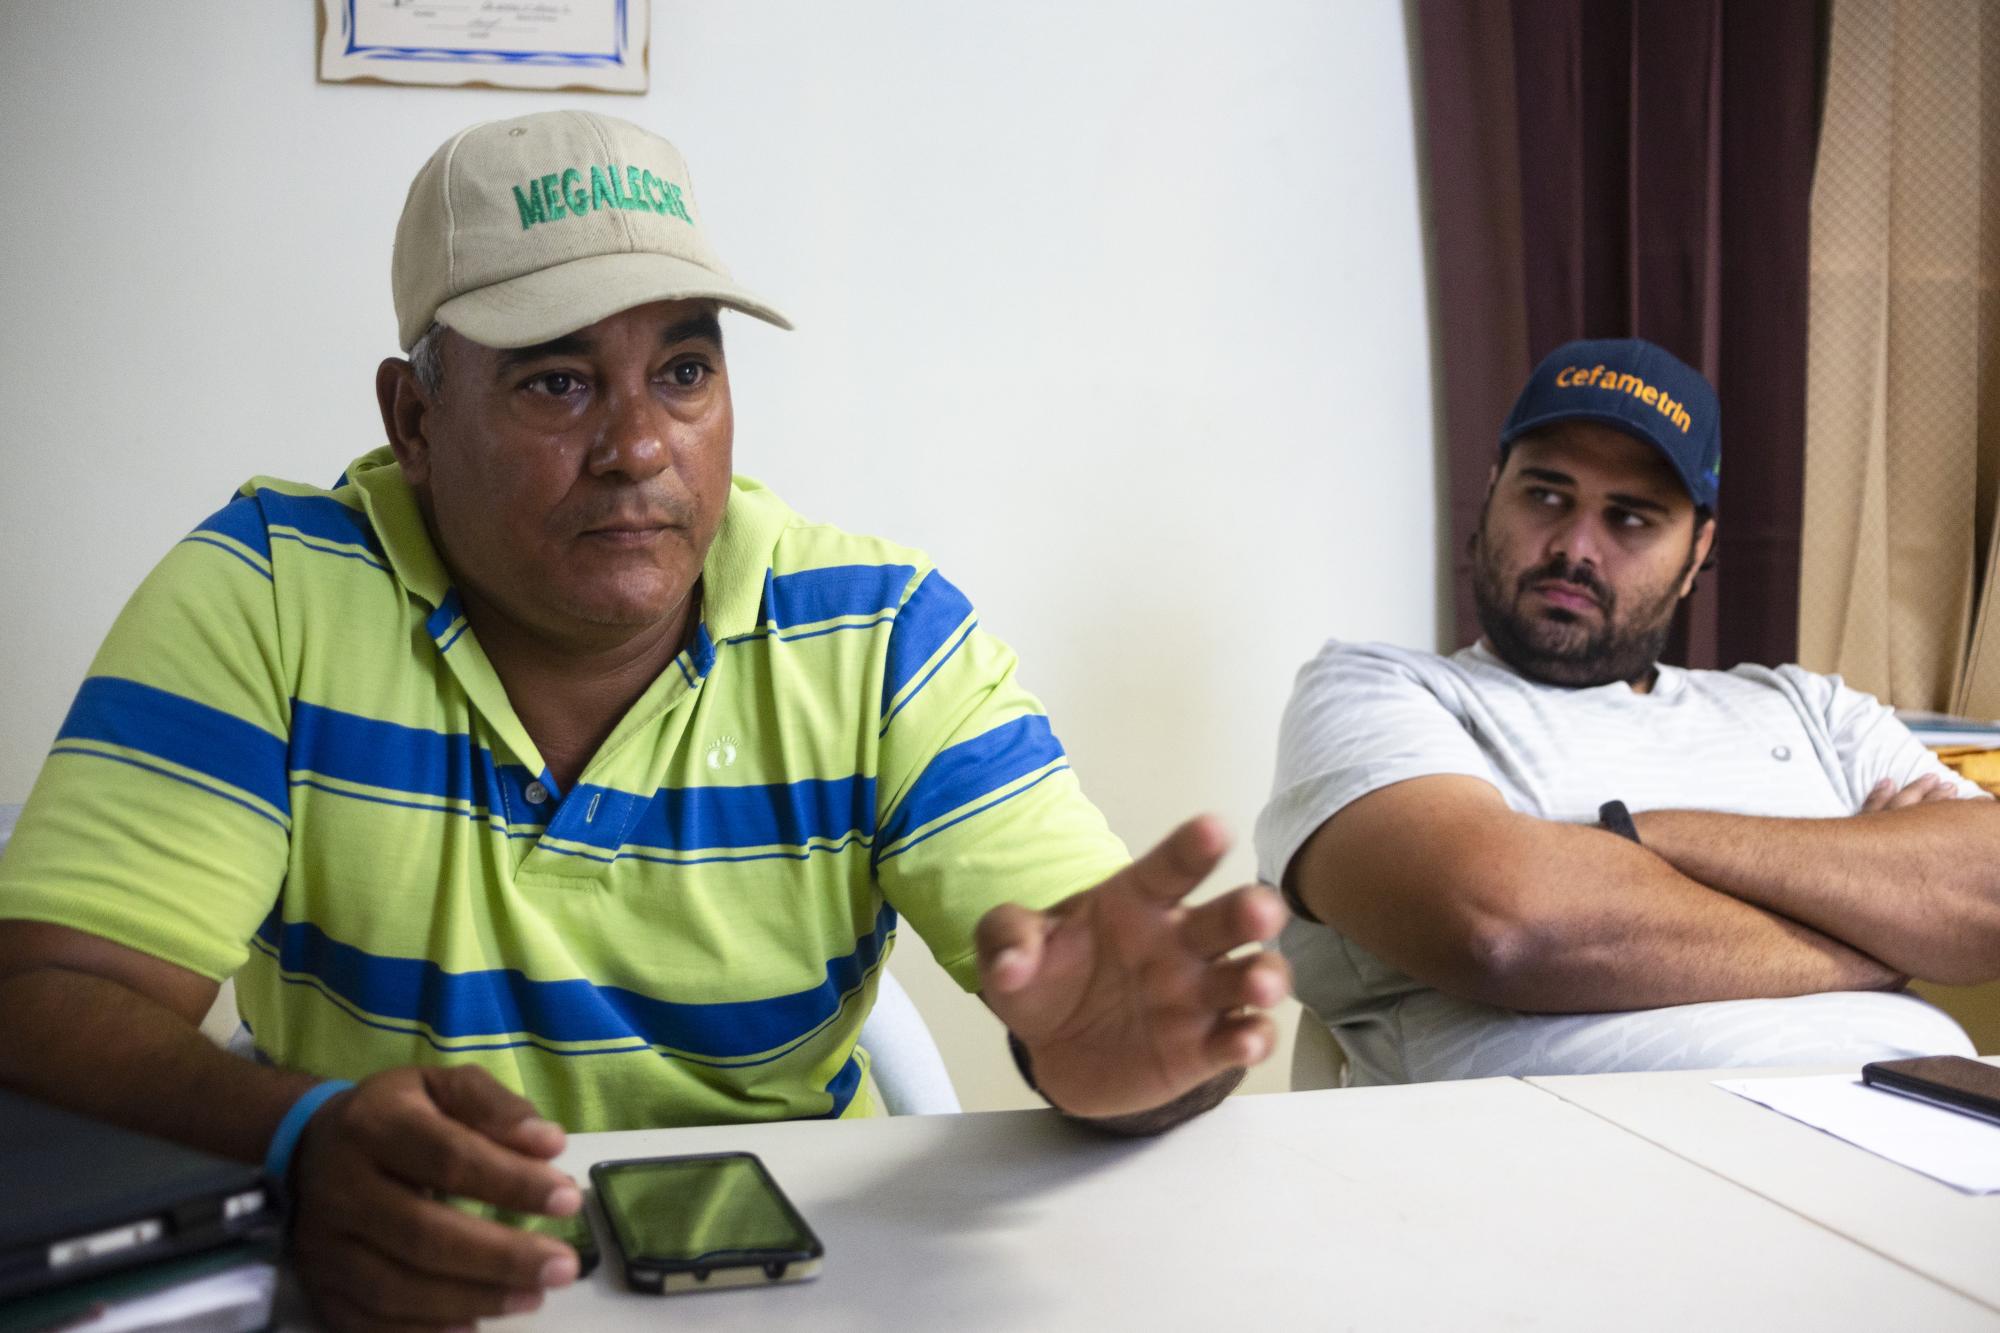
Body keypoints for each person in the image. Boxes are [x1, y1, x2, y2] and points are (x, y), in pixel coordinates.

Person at [0, 110, 1290, 1330]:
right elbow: (49, 997)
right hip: (393, 1280)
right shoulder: (268, 595)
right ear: (414, 419)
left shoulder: (877, 634)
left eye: (682, 371)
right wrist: (298, 1137)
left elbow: (1104, 985)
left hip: (798, 1286)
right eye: (558, 382)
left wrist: (1134, 1064)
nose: (637, 446)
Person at [1258, 336, 2000, 1088]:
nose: (1575, 548)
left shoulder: (1812, 708)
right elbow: (1507, 929)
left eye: (1633, 518)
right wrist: (1877, 929)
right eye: (1546, 496)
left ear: (1697, 550)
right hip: (1601, 1144)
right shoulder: (1377, 690)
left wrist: (1632, 837)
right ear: (1491, 491)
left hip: (1930, 1121)